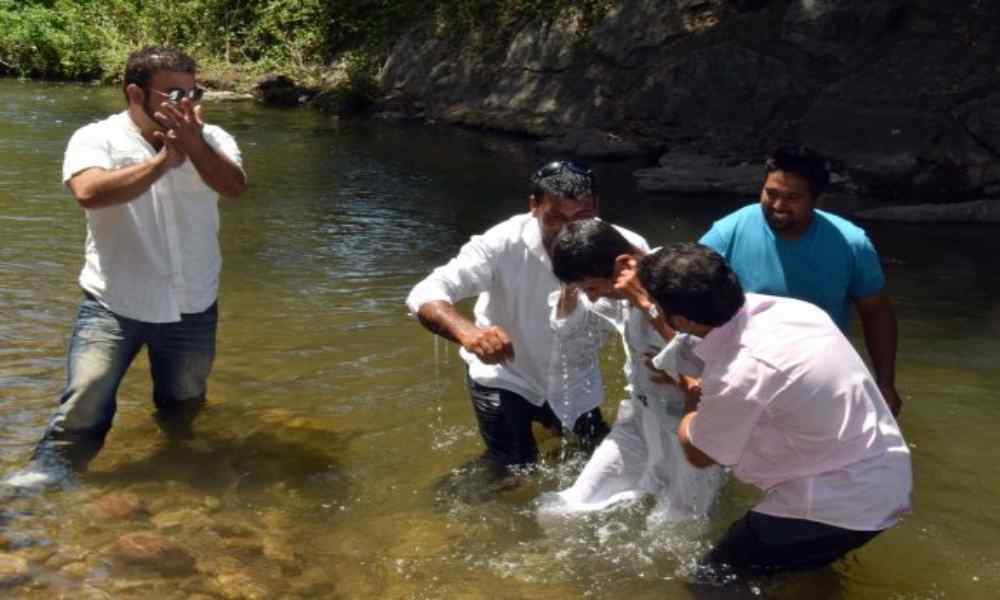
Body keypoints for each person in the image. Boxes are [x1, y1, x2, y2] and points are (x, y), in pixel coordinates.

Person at [10, 46, 246, 486]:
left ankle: (178, 465)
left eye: (194, 93)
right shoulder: (95, 137)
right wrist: (162, 163)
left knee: (184, 399)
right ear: (135, 94)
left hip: (193, 301)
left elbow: (233, 188)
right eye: (175, 94)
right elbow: (90, 192)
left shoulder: (213, 139)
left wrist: (192, 145)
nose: (188, 104)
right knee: (86, 397)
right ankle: (51, 471)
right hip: (114, 301)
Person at [637, 243, 911, 576]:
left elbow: (700, 453)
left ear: (681, 319)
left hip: (834, 502)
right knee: (800, 571)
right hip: (885, 474)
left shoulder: (739, 375)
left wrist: (691, 396)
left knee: (712, 581)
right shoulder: (797, 312)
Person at [405, 161, 649, 471]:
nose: (567, 231)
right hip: (507, 374)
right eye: (555, 218)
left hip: (575, 377)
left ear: (597, 207)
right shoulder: (502, 242)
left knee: (601, 459)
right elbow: (425, 292)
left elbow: (662, 310)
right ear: (534, 206)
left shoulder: (625, 247)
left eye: (581, 217)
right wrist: (468, 333)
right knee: (513, 470)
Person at [541, 219, 722, 524]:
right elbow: (573, 340)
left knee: (679, 529)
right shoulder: (618, 289)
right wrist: (569, 295)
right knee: (563, 511)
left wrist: (645, 304)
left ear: (623, 264)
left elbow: (721, 356)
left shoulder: (682, 275)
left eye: (593, 288)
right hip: (639, 419)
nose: (594, 297)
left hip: (688, 427)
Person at [699, 146, 902, 415]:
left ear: (817, 200)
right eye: (771, 194)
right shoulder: (729, 232)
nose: (778, 206)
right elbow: (691, 292)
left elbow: (876, 313)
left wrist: (885, 383)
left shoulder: (851, 243)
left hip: (820, 373)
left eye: (793, 197)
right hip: (747, 371)